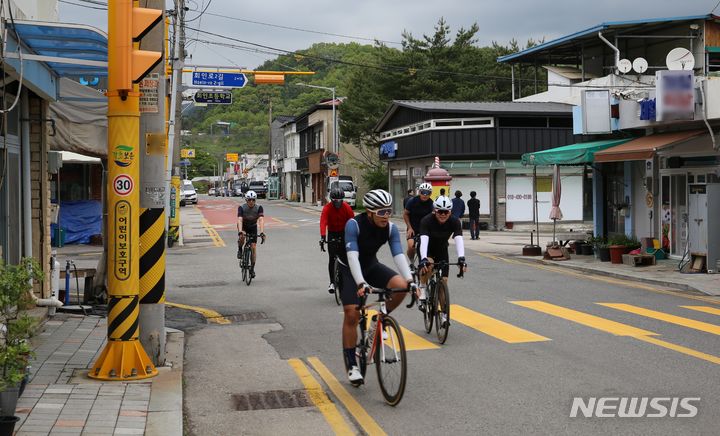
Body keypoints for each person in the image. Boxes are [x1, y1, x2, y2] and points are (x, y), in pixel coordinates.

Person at [341, 189, 416, 385]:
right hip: (349, 269)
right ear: (369, 212)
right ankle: (352, 365)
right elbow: (352, 257)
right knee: (352, 314)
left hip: (371, 265)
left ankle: (380, 318)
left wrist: (410, 280)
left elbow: (398, 255)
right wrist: (361, 283)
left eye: (388, 211)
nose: (386, 216)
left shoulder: (390, 228)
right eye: (381, 212)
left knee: (401, 286)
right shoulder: (353, 225)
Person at [417, 196, 467, 311]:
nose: (443, 214)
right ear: (435, 210)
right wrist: (423, 258)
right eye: (440, 211)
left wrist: (461, 258)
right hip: (427, 249)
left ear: (450, 212)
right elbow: (424, 240)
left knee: (443, 283)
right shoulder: (426, 220)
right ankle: (423, 286)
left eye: (446, 212)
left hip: (442, 250)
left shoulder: (454, 221)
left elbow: (459, 238)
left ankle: (444, 314)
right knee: (428, 265)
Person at [320, 187, 354, 294]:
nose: (338, 203)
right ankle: (332, 283)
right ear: (331, 200)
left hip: (344, 232)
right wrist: (323, 237)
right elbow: (323, 222)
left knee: (346, 257)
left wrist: (353, 236)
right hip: (332, 233)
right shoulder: (327, 208)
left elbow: (353, 222)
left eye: (340, 200)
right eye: (335, 201)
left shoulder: (347, 208)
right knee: (332, 258)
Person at [237, 191, 266, 278]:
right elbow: (240, 219)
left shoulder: (259, 208)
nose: (251, 202)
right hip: (244, 226)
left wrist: (261, 232)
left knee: (253, 247)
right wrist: (240, 231)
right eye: (249, 200)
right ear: (246, 200)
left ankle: (252, 269)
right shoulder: (241, 207)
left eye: (253, 200)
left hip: (253, 226)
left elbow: (261, 220)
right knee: (242, 236)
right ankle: (240, 249)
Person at [403, 182, 434, 261]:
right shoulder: (412, 201)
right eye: (423, 192)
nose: (425, 195)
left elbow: (434, 218)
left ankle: (422, 263)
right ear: (419, 192)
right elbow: (405, 214)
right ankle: (412, 261)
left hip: (425, 229)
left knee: (425, 248)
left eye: (428, 193)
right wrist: (409, 227)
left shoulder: (432, 204)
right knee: (411, 246)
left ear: (430, 194)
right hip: (413, 227)